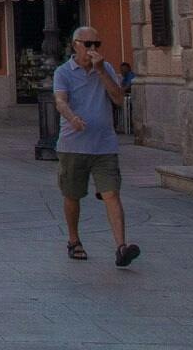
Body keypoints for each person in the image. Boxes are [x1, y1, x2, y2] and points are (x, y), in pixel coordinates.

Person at [54, 26, 139, 267]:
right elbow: (60, 101)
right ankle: (74, 240)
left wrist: (101, 70)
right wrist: (72, 118)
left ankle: (121, 247)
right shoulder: (63, 72)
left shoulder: (106, 68)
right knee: (72, 195)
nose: (92, 49)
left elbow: (118, 99)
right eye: (88, 44)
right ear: (75, 45)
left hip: (104, 144)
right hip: (73, 145)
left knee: (111, 193)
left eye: (96, 44)